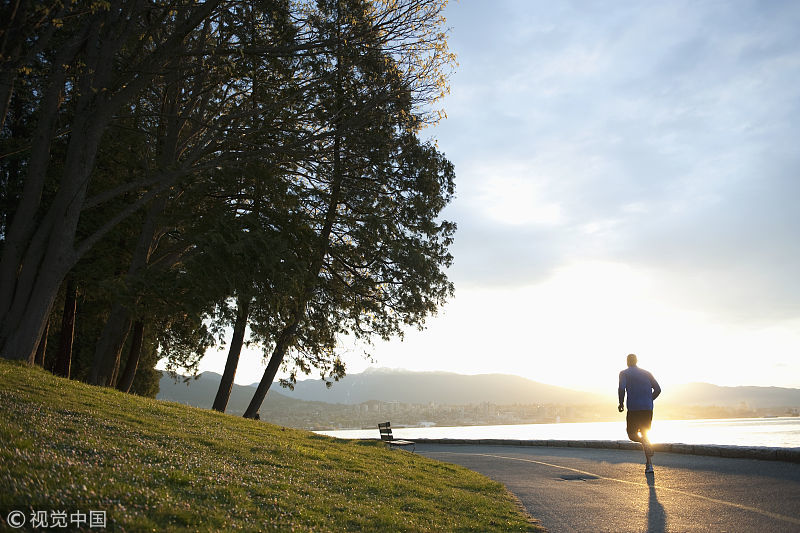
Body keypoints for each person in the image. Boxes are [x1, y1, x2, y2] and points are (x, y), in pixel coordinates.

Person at [618, 353, 661, 473]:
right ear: (637, 361)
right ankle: (649, 466)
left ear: (627, 362)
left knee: (631, 434)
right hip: (647, 409)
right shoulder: (647, 373)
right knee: (645, 434)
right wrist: (649, 399)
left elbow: (622, 388)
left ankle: (644, 443)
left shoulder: (624, 373)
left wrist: (621, 403)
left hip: (634, 409)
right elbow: (658, 389)